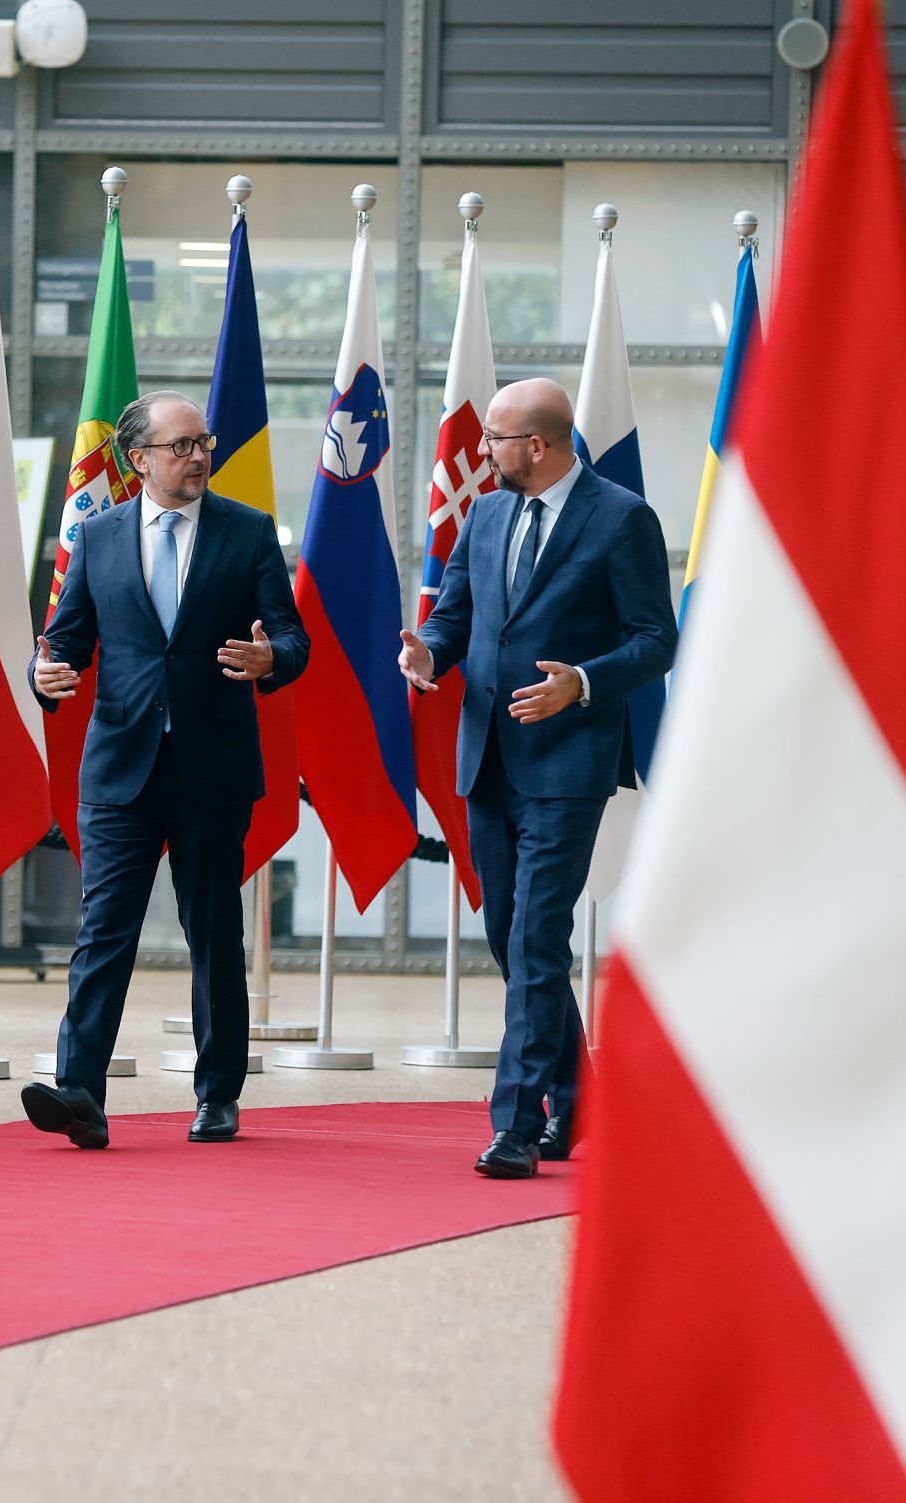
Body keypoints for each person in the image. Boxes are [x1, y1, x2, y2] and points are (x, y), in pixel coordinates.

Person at [399, 378, 676, 1178]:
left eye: (495, 439)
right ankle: (580, 1095)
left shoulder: (622, 517)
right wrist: (428, 656)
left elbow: (657, 639)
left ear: (539, 446)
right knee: (509, 936)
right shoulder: (485, 515)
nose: (481, 452)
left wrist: (581, 681)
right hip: (487, 755)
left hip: (568, 762)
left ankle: (516, 1125)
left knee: (535, 935)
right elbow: (454, 619)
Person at [23, 391, 309, 1149]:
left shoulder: (247, 534)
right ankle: (80, 1091)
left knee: (212, 931)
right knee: (103, 929)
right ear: (138, 458)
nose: (199, 457)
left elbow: (293, 636)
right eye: (181, 446)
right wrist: (41, 672)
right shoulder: (102, 535)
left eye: (203, 443)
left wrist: (269, 656)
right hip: (120, 768)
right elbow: (64, 639)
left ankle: (219, 1092)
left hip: (211, 769)